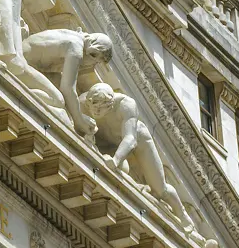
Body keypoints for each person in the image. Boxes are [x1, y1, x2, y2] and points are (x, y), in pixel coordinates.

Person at [79, 83, 194, 229]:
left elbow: (130, 138)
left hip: (139, 141)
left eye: (100, 108)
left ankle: (182, 215)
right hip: (107, 142)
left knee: (160, 189)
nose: (95, 111)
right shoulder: (83, 102)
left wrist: (115, 160)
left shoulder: (126, 105)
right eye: (93, 107)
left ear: (110, 104)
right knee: (122, 169)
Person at [21, 30, 113, 136]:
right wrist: (80, 120)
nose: (93, 65)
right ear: (93, 53)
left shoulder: (73, 37)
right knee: (58, 100)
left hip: (28, 61)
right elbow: (68, 88)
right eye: (96, 62)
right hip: (24, 64)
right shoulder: (76, 48)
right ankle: (25, 99)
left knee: (60, 94)